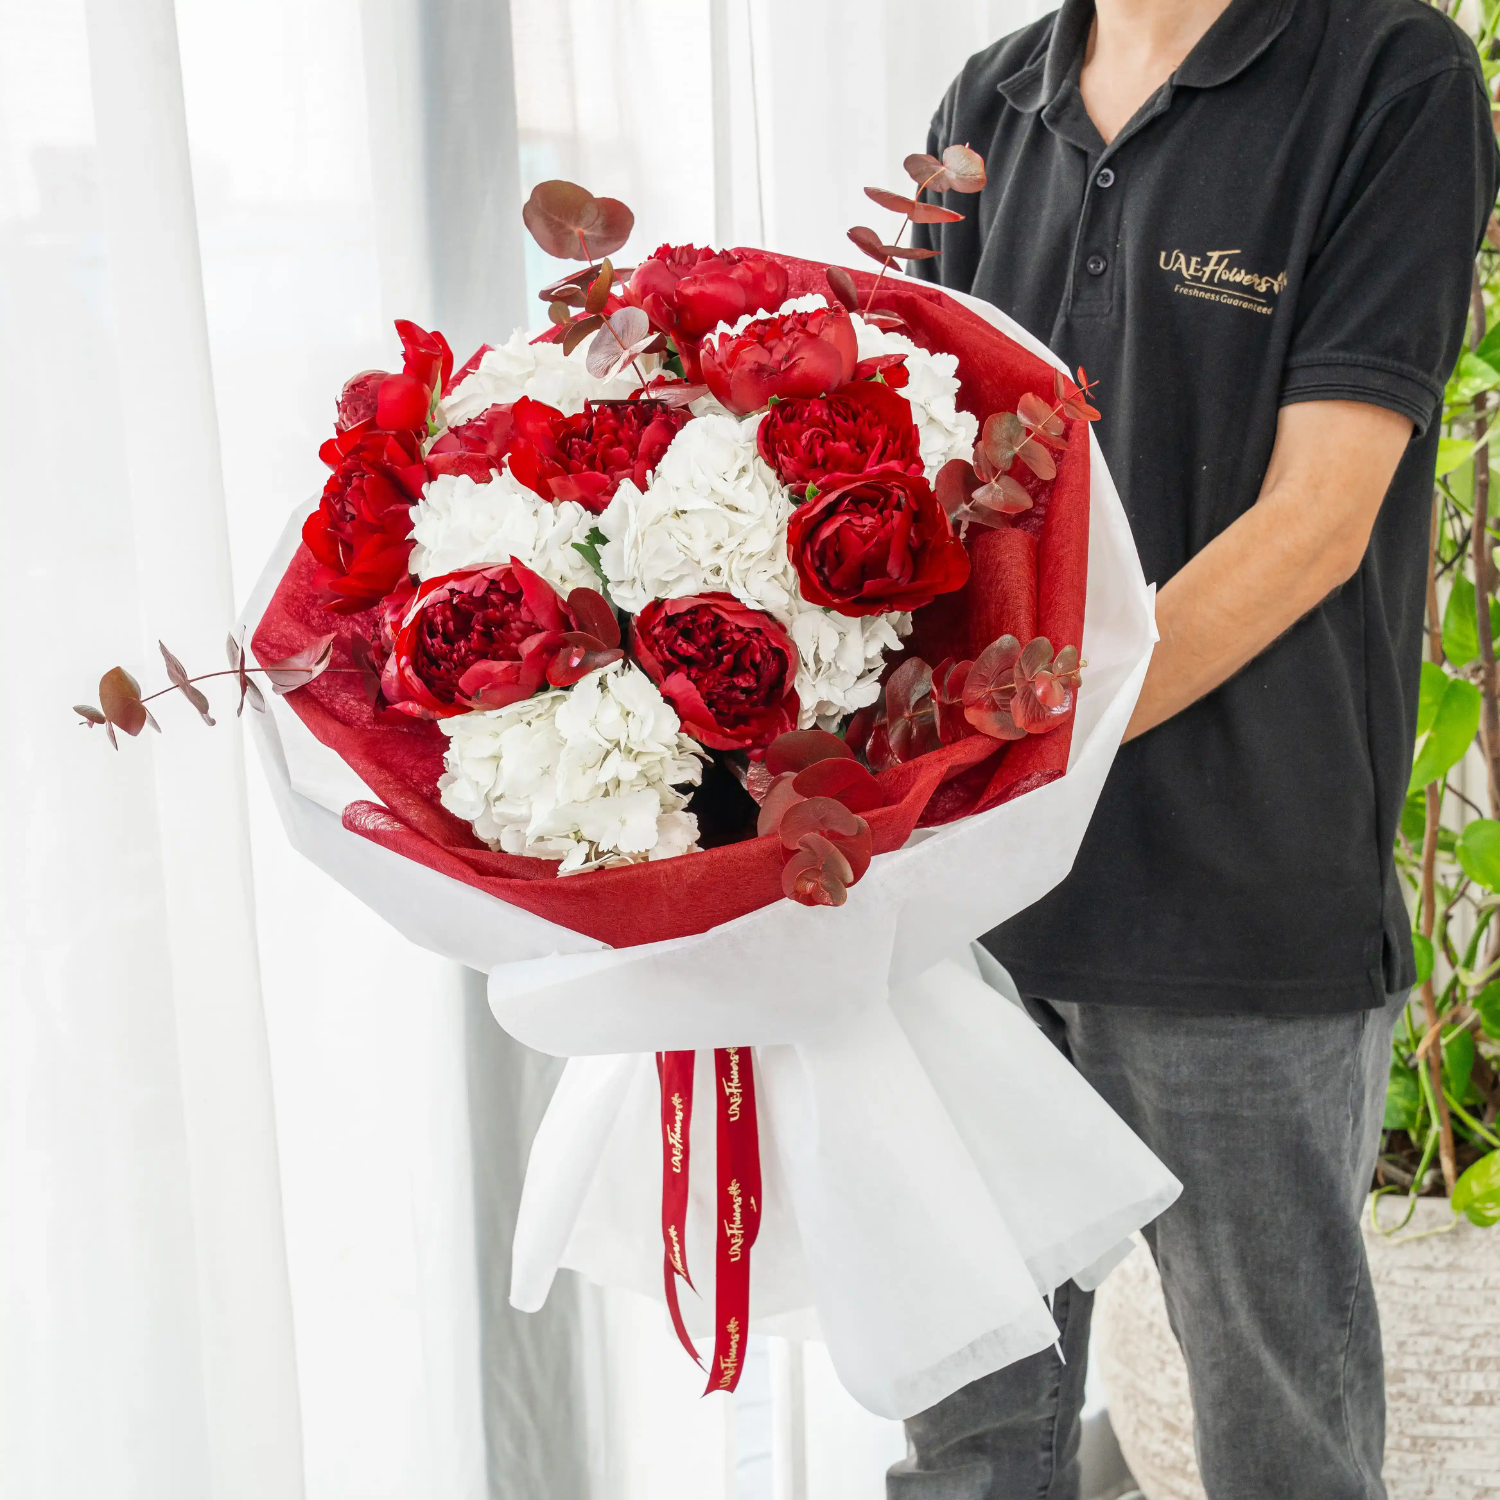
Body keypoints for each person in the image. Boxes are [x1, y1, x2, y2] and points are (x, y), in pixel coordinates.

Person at [898, 1, 1498, 1497]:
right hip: (972, 915)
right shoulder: (995, 96)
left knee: (1278, 1449)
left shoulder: (1390, 74)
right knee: (970, 1444)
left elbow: (1314, 525)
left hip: (1237, 901)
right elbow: (936, 482)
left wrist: (1028, 740)